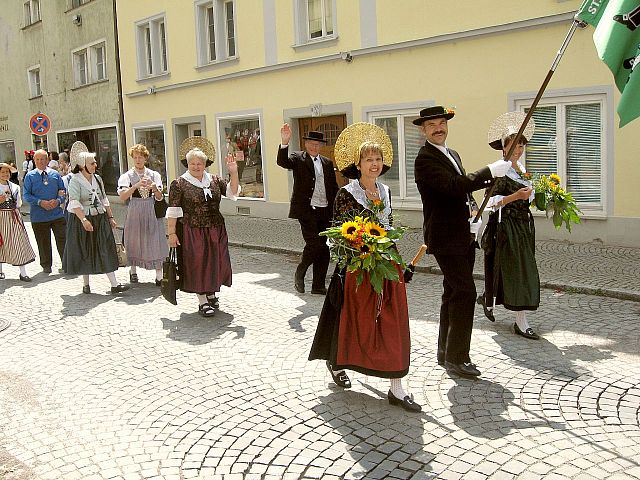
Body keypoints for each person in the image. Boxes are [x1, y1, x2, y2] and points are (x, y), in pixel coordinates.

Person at [309, 123, 421, 413]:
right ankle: (336, 360)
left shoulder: (385, 190)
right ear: (357, 165)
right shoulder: (346, 193)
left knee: (392, 321)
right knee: (353, 320)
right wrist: (369, 210)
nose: (374, 164)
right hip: (358, 263)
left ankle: (397, 386)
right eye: (368, 159)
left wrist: (397, 262)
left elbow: (388, 227)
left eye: (378, 159)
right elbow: (343, 232)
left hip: (386, 261)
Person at [414, 105, 511, 378]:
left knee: (452, 293)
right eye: (432, 125)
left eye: (442, 122)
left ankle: (445, 352)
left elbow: (461, 194)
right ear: (423, 130)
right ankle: (458, 357)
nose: (438, 128)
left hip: (463, 234)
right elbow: (453, 185)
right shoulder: (424, 159)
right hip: (444, 237)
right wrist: (489, 170)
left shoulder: (452, 153)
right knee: (466, 292)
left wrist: (472, 213)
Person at [477, 112, 540, 340]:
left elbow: (528, 198)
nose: (518, 150)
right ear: (504, 147)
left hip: (523, 227)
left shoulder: (522, 170)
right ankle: (521, 321)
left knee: (519, 268)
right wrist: (514, 197)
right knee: (519, 270)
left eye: (521, 145)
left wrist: (541, 195)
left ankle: (489, 296)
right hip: (505, 228)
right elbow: (488, 203)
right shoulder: (500, 170)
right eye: (514, 145)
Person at [166, 137, 240, 317]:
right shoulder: (180, 183)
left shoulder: (214, 180)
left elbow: (232, 193)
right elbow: (173, 211)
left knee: (215, 261)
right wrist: (171, 234)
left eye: (199, 163)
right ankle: (202, 301)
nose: (196, 166)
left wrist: (234, 172)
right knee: (198, 263)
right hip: (193, 230)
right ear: (187, 164)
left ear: (205, 164)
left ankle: (211, 292)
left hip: (216, 228)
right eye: (192, 163)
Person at [277, 125, 339, 295]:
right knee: (314, 244)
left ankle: (318, 285)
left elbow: (333, 187)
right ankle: (301, 270)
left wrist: (339, 207)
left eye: (317, 144)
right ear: (306, 144)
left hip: (324, 210)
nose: (314, 147)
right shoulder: (298, 158)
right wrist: (284, 142)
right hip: (306, 210)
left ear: (321, 146)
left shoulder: (327, 163)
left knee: (324, 247)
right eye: (311, 143)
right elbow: (283, 162)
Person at [62, 147, 129, 294]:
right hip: (82, 219)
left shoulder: (97, 179)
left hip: (99, 217)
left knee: (105, 248)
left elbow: (104, 199)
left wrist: (111, 217)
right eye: (92, 163)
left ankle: (114, 284)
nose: (95, 165)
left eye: (94, 162)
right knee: (85, 250)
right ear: (82, 165)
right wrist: (84, 220)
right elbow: (74, 202)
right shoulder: (75, 180)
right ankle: (86, 285)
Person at [117, 144, 168, 286]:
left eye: (140, 157)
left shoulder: (154, 175)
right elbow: (122, 197)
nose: (138, 160)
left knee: (155, 239)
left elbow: (159, 197)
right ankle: (133, 271)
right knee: (133, 240)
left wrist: (154, 188)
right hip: (135, 209)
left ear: (145, 158)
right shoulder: (127, 176)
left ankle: (158, 275)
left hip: (151, 209)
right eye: (135, 157)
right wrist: (136, 186)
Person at [23, 149, 67, 274]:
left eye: (43, 159)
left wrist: (58, 200)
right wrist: (40, 202)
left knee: (63, 239)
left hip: (57, 214)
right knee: (43, 242)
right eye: (37, 159)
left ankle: (66, 263)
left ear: (47, 160)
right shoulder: (30, 176)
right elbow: (26, 195)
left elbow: (62, 190)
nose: (40, 161)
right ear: (34, 161)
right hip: (39, 216)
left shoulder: (55, 174)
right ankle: (46, 265)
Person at [0, 163, 36, 281]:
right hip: (1, 218)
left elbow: (19, 204)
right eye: (3, 172)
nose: (5, 174)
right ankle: (0, 271)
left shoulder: (15, 187)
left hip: (13, 217)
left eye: (7, 172)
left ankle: (23, 273)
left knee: (19, 242)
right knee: (1, 244)